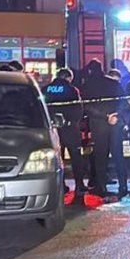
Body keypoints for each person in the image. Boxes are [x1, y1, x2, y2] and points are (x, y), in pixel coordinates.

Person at [76, 60, 120, 200]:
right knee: (117, 155)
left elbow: (86, 107)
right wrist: (115, 116)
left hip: (98, 124)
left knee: (100, 156)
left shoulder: (87, 85)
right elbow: (123, 101)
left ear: (90, 71)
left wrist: (104, 116)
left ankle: (101, 186)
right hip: (115, 122)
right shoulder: (113, 83)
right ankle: (123, 186)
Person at [41, 68, 83, 197]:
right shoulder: (72, 90)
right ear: (68, 78)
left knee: (57, 159)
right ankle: (79, 185)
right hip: (69, 129)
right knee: (76, 158)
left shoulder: (45, 89)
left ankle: (60, 186)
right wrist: (74, 122)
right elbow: (78, 109)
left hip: (52, 129)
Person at [105, 68, 130, 196]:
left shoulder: (113, 88)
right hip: (111, 125)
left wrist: (113, 116)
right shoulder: (117, 88)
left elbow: (124, 105)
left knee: (115, 157)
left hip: (112, 125)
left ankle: (122, 185)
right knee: (115, 157)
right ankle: (121, 185)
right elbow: (124, 105)